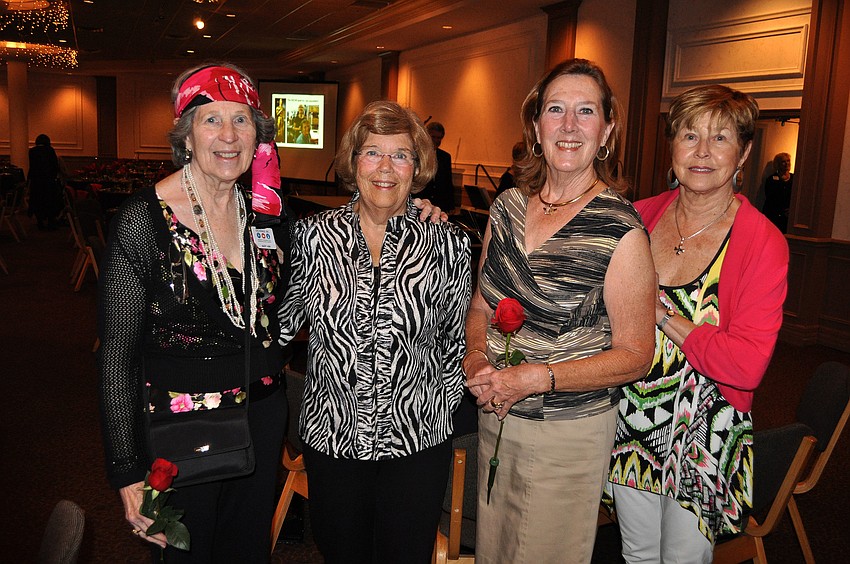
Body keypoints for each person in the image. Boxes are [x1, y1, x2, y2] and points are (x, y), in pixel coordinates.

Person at [462, 58, 656, 564]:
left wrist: (538, 378)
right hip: (497, 414)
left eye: (585, 111)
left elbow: (636, 355)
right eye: (555, 109)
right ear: (535, 125)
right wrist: (477, 358)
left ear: (607, 130)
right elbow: (480, 303)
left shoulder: (620, 227)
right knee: (494, 551)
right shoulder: (506, 207)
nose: (569, 125)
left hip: (567, 431)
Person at [98, 63, 290, 563]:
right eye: (211, 120)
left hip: (261, 417)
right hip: (182, 428)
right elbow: (116, 355)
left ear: (257, 136)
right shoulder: (143, 221)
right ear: (186, 136)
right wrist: (126, 470)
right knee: (188, 553)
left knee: (247, 552)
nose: (229, 135)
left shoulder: (265, 212)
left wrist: (416, 211)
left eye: (242, 120)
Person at [277, 100, 471, 564]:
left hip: (417, 442)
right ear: (353, 162)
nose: (385, 167)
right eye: (372, 153)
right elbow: (280, 328)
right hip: (333, 438)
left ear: (417, 167)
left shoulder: (449, 243)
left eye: (400, 155)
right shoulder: (312, 237)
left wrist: (428, 410)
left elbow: (455, 343)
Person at [607, 85, 789, 563]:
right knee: (637, 554)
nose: (702, 152)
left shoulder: (761, 242)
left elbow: (745, 365)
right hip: (629, 419)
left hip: (705, 431)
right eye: (690, 136)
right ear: (673, 147)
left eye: (720, 138)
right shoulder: (638, 217)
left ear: (743, 153)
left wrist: (662, 316)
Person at [27, 133, 64, 230]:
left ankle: (40, 222)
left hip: (36, 181)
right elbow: (54, 165)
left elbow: (32, 166)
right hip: (48, 181)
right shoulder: (50, 150)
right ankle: (51, 221)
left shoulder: (32, 151)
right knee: (50, 201)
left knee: (38, 201)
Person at [418, 121, 455, 213]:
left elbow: (448, 182)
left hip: (440, 205)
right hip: (421, 204)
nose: (436, 140)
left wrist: (451, 206)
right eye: (433, 137)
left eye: (439, 138)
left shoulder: (445, 157)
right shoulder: (418, 155)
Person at [761, 151, 793, 232]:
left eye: (788, 161)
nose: (786, 163)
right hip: (773, 216)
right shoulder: (771, 179)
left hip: (788, 218)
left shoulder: (795, 178)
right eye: (783, 162)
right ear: (778, 164)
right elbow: (770, 198)